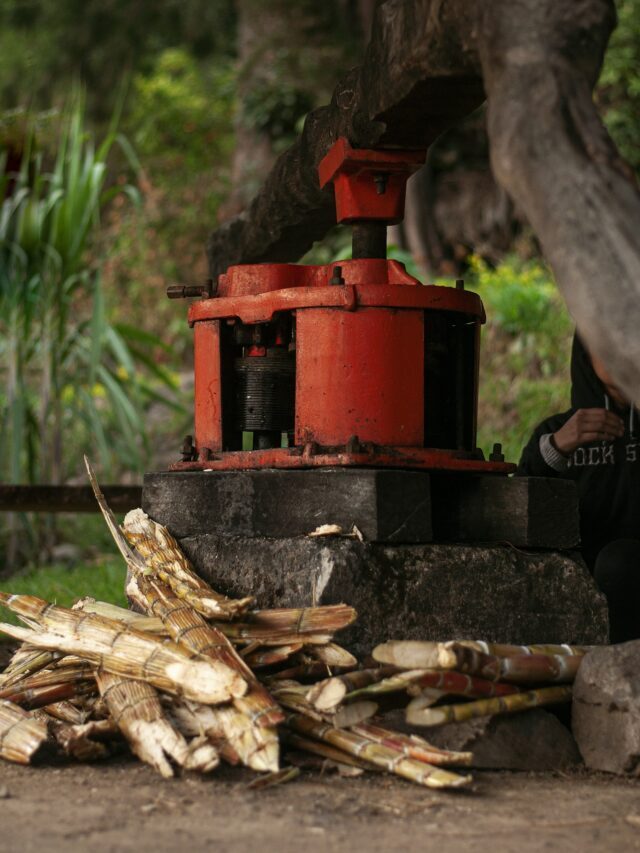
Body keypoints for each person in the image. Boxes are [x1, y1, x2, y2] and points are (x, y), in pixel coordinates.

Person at [517, 334, 640, 643]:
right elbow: (518, 507)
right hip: (578, 573)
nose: (619, 353)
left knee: (619, 562)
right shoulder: (557, 431)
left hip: (629, 570)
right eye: (605, 343)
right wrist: (555, 448)